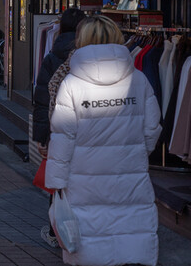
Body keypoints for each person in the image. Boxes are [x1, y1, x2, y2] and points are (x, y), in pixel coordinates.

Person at [46, 15, 161, 266]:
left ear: (81, 40)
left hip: (83, 179)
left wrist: (56, 183)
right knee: (130, 235)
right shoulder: (138, 80)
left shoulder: (72, 84)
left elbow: (62, 139)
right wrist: (134, 153)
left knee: (91, 241)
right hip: (130, 176)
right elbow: (152, 128)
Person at [32, 8, 86, 247]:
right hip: (88, 126)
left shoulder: (53, 55)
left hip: (59, 126)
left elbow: (42, 98)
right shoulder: (88, 54)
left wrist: (42, 137)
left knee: (58, 179)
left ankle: (57, 229)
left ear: (61, 27)